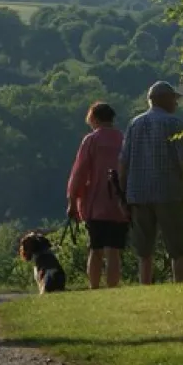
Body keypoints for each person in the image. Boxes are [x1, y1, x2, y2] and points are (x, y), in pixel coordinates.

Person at [119, 81, 183, 284]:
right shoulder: (174, 123)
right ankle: (180, 282)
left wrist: (123, 192)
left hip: (139, 193)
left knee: (144, 249)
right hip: (169, 192)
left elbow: (124, 161)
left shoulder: (134, 124)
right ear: (165, 99)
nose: (176, 104)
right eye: (174, 99)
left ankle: (145, 283)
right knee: (177, 245)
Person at [66, 101, 129, 289]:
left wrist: (72, 200)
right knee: (114, 250)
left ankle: (94, 287)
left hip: (96, 202)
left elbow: (80, 172)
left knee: (96, 248)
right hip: (119, 202)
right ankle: (112, 288)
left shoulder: (91, 140)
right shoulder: (123, 139)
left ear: (94, 118)